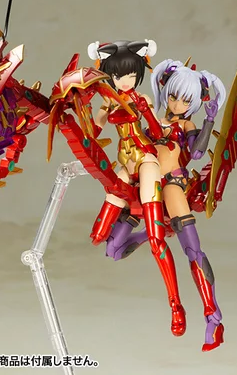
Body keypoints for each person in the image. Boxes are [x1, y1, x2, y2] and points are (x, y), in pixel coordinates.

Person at [105, 58, 227, 351]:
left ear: (194, 102)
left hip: (171, 184)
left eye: (185, 100)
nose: (177, 104)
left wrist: (209, 121)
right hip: (144, 186)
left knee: (192, 250)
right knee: (114, 249)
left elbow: (197, 154)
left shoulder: (186, 124)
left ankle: (212, 316)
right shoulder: (152, 118)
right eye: (173, 96)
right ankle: (151, 232)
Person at [88, 40, 187, 337]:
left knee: (158, 241)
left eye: (132, 75)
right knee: (99, 238)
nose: (126, 81)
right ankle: (143, 229)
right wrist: (89, 106)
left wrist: (145, 110)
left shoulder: (141, 98)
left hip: (145, 160)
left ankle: (175, 305)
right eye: (120, 75)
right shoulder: (108, 100)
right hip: (125, 163)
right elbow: (93, 131)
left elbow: (157, 133)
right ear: (110, 75)